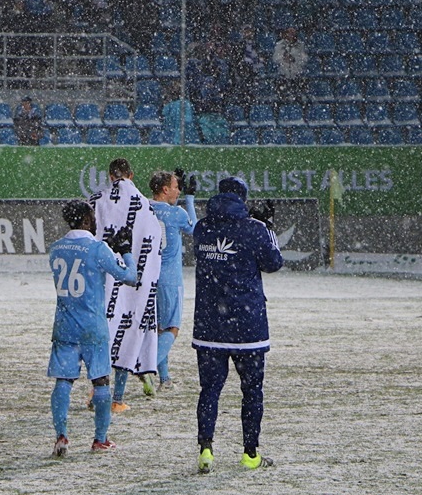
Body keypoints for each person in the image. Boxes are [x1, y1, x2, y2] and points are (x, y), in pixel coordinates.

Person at [192, 177, 284, 473]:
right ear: (243, 198)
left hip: (209, 325)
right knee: (252, 390)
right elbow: (273, 262)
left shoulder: (201, 228)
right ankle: (250, 452)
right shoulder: (254, 229)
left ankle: (206, 449)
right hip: (248, 326)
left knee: (209, 390)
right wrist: (267, 225)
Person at [47, 200, 138, 456]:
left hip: (64, 324)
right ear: (86, 220)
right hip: (92, 325)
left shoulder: (56, 248)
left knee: (63, 380)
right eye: (93, 217)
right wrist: (124, 249)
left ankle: (61, 436)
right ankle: (100, 439)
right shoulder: (97, 249)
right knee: (100, 381)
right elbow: (131, 277)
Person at [89, 158, 163, 411]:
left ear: (110, 176)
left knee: (103, 336)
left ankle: (96, 394)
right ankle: (117, 398)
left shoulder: (96, 200)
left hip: (101, 280)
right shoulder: (145, 205)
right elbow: (154, 248)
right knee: (128, 334)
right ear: (131, 175)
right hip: (134, 283)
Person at [149, 169, 198, 391]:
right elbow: (196, 229)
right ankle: (147, 369)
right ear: (165, 189)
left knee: (158, 329)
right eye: (176, 187)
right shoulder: (176, 213)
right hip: (170, 279)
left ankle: (164, 379)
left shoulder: (144, 209)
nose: (178, 191)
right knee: (172, 328)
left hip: (149, 278)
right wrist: (190, 198)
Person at [272, 27, 309, 105]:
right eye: (289, 32)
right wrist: (283, 58)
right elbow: (275, 58)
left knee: (299, 98)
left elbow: (304, 59)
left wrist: (295, 59)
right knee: (281, 98)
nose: (291, 35)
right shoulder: (280, 44)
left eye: (293, 33)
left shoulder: (300, 45)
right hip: (283, 74)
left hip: (296, 74)